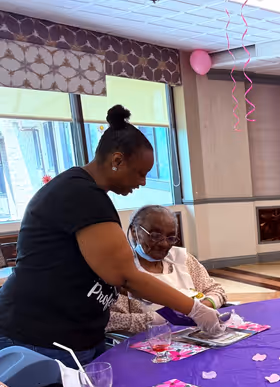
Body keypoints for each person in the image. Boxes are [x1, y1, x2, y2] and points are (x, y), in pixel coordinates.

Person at [0, 105, 224, 365]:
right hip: (41, 335)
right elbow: (125, 276)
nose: (142, 182)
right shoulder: (81, 194)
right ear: (117, 160)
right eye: (140, 173)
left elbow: (106, 272)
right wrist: (194, 309)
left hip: (77, 330)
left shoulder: (84, 191)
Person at [107, 206, 227, 335]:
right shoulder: (123, 269)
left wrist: (202, 308)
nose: (164, 244)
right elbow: (112, 320)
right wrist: (162, 319)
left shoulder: (182, 260)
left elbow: (217, 290)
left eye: (170, 238)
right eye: (155, 236)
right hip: (153, 344)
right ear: (134, 232)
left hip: (196, 337)